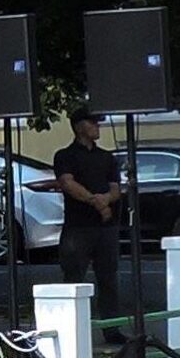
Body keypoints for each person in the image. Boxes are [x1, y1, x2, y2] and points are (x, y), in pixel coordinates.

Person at [51, 109, 124, 317]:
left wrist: (106, 199)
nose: (97, 126)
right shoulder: (65, 155)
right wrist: (96, 202)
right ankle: (72, 326)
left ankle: (112, 328)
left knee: (109, 279)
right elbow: (67, 183)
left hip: (105, 228)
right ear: (79, 126)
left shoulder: (106, 157)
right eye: (92, 123)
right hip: (78, 227)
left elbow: (115, 188)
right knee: (74, 279)